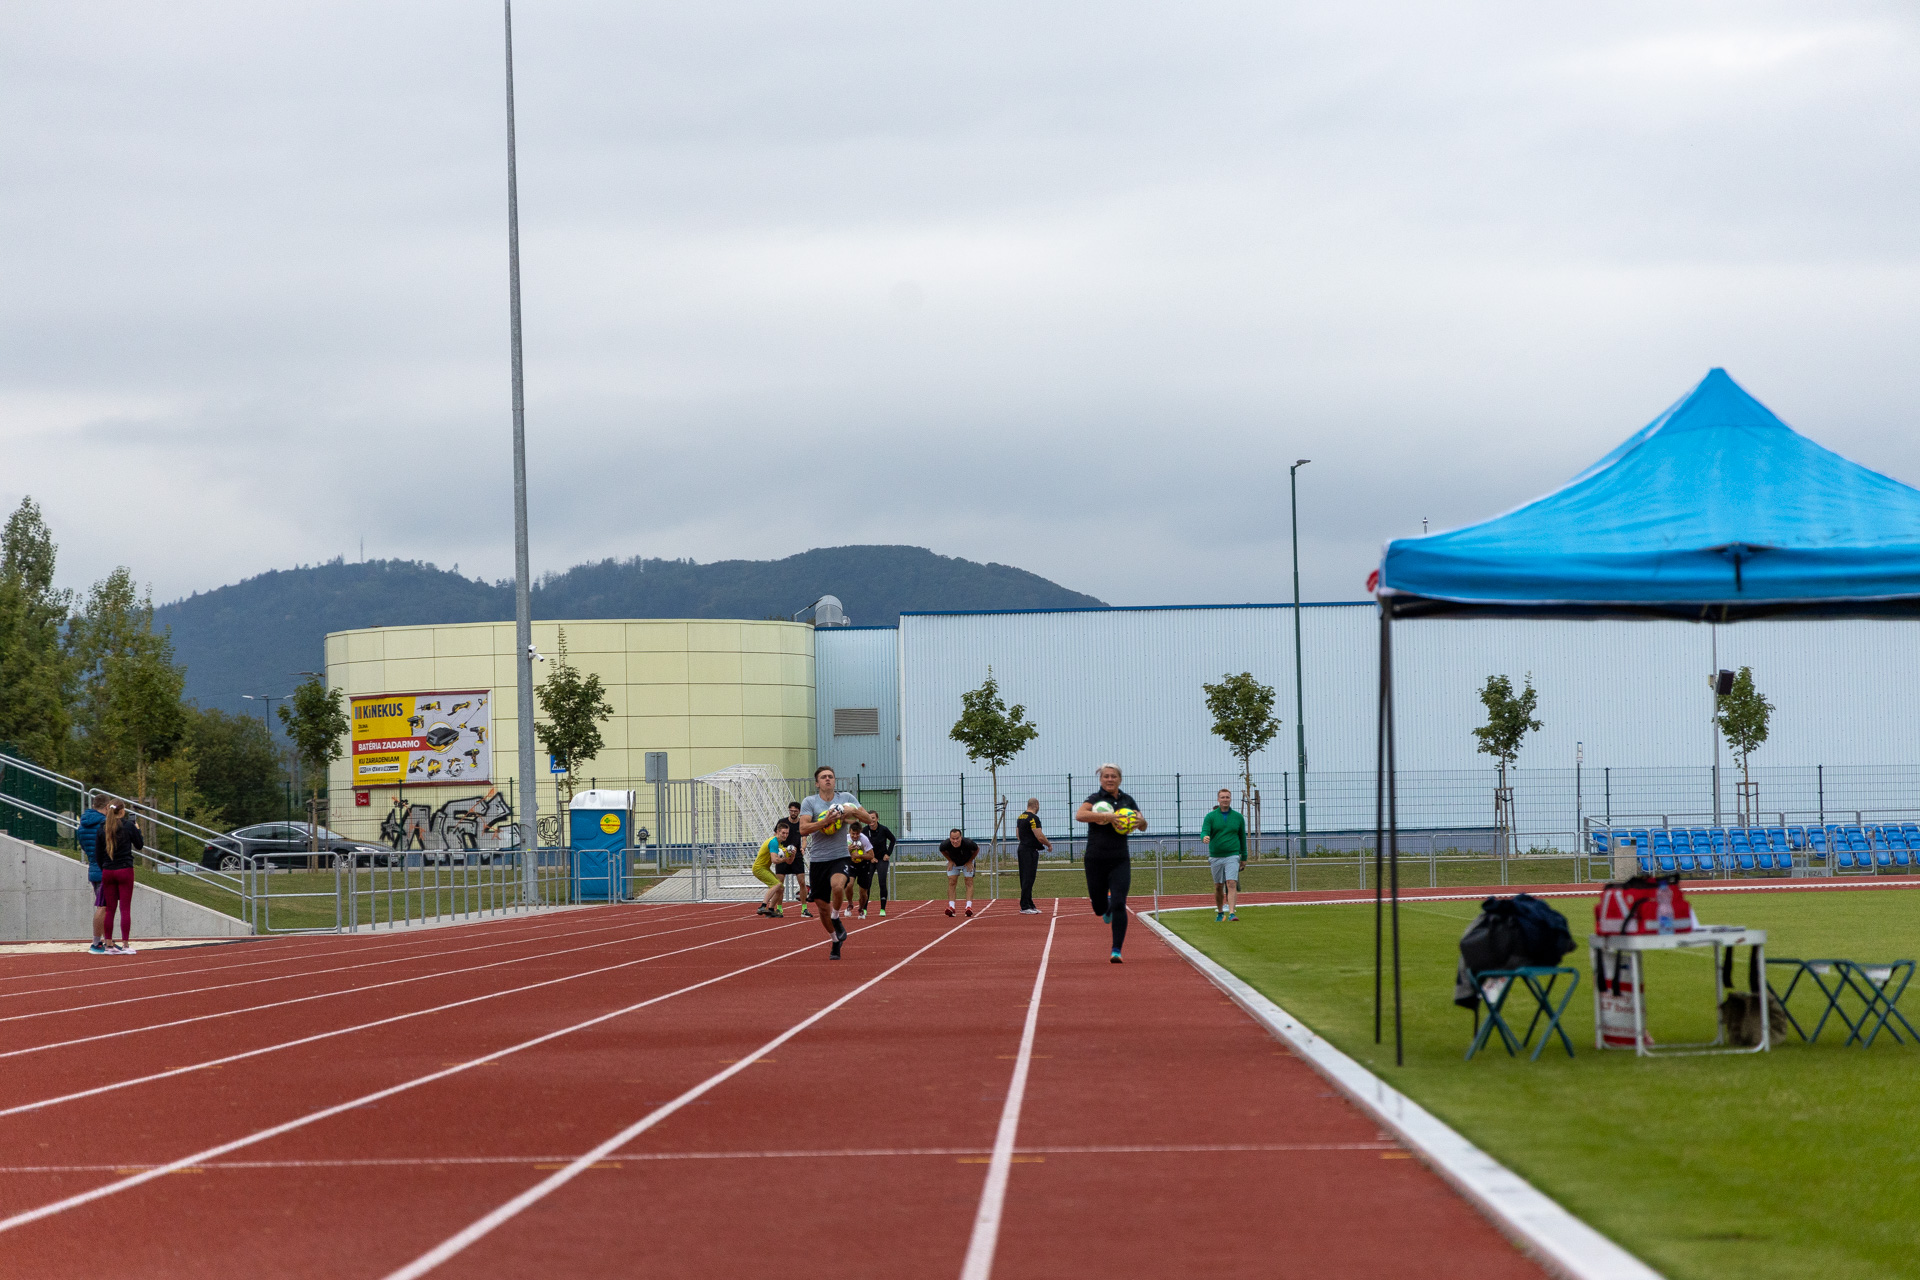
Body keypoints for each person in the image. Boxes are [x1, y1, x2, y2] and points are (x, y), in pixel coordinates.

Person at [798, 766, 878, 959]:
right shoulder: (810, 802)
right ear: (817, 783)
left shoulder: (846, 798)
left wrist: (852, 811)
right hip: (818, 859)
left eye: (831, 777)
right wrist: (825, 821)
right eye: (823, 777)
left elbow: (869, 820)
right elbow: (803, 829)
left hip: (840, 856)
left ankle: (836, 916)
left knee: (838, 885)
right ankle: (835, 940)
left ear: (834, 781)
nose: (827, 779)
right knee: (821, 906)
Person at [1075, 763, 1145, 963]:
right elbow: (1080, 815)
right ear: (1101, 779)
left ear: (1119, 779)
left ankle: (1116, 950)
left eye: (1113, 776)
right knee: (1099, 908)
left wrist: (1140, 821)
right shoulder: (1095, 799)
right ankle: (1105, 909)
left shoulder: (1127, 800)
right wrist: (1108, 816)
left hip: (1119, 859)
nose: (1110, 779)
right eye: (1106, 776)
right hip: (1095, 859)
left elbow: (1142, 824)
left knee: (1119, 902)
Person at [95, 801, 144, 955]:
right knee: (125, 908)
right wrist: (138, 829)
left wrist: (105, 867)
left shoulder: (102, 828)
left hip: (108, 870)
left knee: (110, 909)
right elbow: (139, 845)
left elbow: (98, 854)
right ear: (122, 811)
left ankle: (108, 945)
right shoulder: (128, 826)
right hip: (125, 869)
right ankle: (125, 944)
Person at [1201, 788, 1247, 922]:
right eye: (1222, 797)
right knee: (1218, 886)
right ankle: (1220, 912)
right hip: (1216, 856)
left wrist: (1244, 857)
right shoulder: (1210, 817)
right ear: (1218, 799)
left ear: (1230, 799)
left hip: (1232, 855)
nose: (1225, 800)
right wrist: (1204, 837)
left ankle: (1232, 913)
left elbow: (1242, 838)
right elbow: (1204, 831)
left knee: (1231, 882)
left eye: (1227, 797)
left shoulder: (1238, 817)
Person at [78, 796, 109, 954]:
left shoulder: (83, 824)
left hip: (94, 867)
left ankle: (106, 941)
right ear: (106, 806)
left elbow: (84, 845)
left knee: (103, 906)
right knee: (103, 907)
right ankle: (97, 942)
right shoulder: (104, 823)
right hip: (105, 868)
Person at [1015, 798, 1051, 915]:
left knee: (1027, 878)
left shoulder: (1021, 817)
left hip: (1022, 848)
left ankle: (1029, 904)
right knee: (1028, 878)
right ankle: (1025, 905)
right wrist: (1048, 844)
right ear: (1036, 805)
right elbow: (1039, 836)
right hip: (1029, 850)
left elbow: (1018, 835)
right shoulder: (1033, 818)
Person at [754, 820, 792, 917]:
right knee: (776, 884)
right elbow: (774, 860)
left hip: (765, 868)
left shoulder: (780, 844)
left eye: (787, 833)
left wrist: (792, 854)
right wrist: (784, 859)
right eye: (783, 833)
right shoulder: (774, 842)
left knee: (781, 888)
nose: (785, 835)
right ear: (778, 832)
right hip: (759, 868)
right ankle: (762, 906)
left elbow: (789, 862)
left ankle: (771, 910)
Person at [779, 800, 809, 917]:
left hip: (797, 856)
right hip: (783, 855)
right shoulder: (782, 822)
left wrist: (803, 848)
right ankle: (779, 909)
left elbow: (804, 839)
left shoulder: (802, 823)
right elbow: (776, 837)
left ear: (799, 812)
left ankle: (804, 908)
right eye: (791, 811)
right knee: (779, 884)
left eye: (795, 811)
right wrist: (780, 850)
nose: (793, 813)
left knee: (802, 882)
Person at [942, 829, 980, 917]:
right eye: (953, 839)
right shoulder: (945, 844)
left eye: (957, 839)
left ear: (961, 837)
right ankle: (951, 907)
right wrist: (950, 860)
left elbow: (977, 849)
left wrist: (970, 861)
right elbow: (942, 851)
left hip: (967, 862)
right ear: (950, 838)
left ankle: (968, 907)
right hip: (954, 862)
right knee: (952, 881)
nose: (955, 841)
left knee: (968, 881)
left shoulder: (968, 843)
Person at [845, 821, 876, 918]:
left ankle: (861, 909)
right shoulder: (845, 839)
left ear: (860, 832)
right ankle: (850, 904)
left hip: (863, 865)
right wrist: (848, 850)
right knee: (849, 885)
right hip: (851, 864)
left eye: (857, 834)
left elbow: (871, 855)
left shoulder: (864, 839)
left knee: (863, 893)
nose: (855, 836)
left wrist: (860, 855)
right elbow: (838, 853)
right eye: (853, 833)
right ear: (849, 831)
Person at [867, 819, 896, 916]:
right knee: (866, 884)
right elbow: (861, 844)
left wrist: (888, 853)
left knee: (882, 882)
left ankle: (882, 909)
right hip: (870, 860)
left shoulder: (883, 829)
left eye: (873, 818)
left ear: (877, 819)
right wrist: (869, 857)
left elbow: (893, 839)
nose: (871, 820)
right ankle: (864, 908)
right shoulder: (865, 830)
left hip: (881, 859)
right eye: (869, 818)